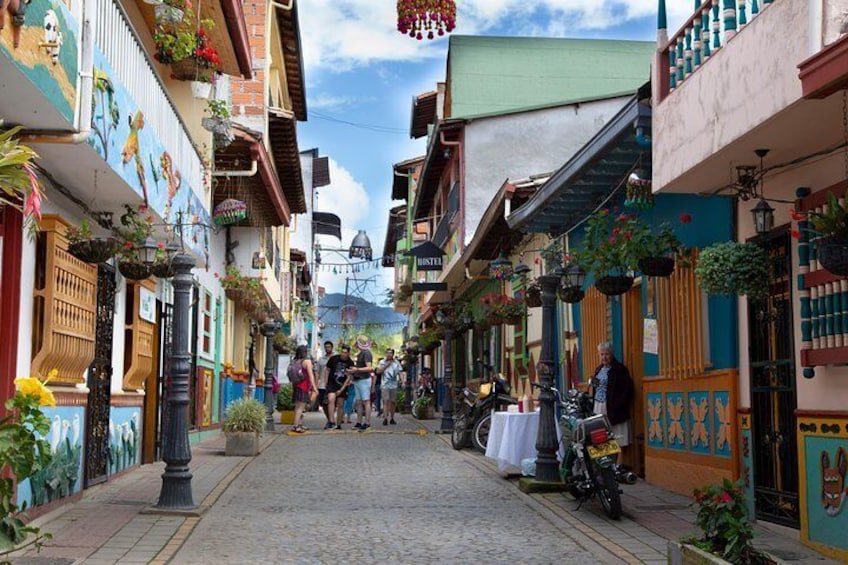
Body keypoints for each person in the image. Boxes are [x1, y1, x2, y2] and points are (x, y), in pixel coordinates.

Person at [589, 342, 634, 466]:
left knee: (618, 438)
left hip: (614, 408)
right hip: (599, 406)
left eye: (607, 354)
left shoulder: (620, 370)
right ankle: (605, 467)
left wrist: (619, 405)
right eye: (602, 354)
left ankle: (618, 467)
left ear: (612, 354)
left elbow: (628, 389)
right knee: (601, 437)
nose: (604, 357)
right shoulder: (599, 369)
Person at [347, 335, 375, 431]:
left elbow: (370, 368)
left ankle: (367, 423)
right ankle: (359, 422)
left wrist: (356, 369)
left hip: (364, 380)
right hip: (358, 380)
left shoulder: (366, 353)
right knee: (359, 402)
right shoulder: (361, 353)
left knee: (366, 402)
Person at [324, 345, 354, 430]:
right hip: (332, 383)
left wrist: (341, 389)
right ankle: (331, 421)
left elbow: (348, 377)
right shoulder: (333, 359)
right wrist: (326, 381)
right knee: (331, 399)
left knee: (340, 404)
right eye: (342, 352)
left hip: (342, 385)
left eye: (345, 353)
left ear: (348, 353)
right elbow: (327, 369)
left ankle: (338, 423)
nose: (343, 354)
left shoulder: (350, 363)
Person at [290, 345, 317, 433]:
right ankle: (296, 426)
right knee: (300, 408)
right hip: (303, 387)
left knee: (298, 407)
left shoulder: (295, 361)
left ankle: (299, 424)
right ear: (305, 352)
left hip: (296, 386)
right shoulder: (307, 362)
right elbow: (310, 375)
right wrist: (314, 386)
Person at [375, 348, 404, 425]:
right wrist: (386, 365)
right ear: (385, 354)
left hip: (394, 385)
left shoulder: (396, 363)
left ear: (393, 354)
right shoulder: (382, 362)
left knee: (393, 402)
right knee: (386, 400)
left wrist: (403, 382)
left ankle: (392, 418)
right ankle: (385, 418)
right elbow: (378, 371)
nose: (389, 354)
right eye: (387, 353)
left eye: (390, 353)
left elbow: (400, 372)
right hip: (385, 385)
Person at [316, 340, 334, 427]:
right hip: (322, 384)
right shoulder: (321, 360)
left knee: (332, 402)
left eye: (329, 347)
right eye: (326, 347)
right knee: (323, 403)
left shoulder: (336, 358)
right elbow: (317, 373)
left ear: (332, 347)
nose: (327, 349)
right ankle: (329, 420)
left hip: (334, 384)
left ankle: (332, 420)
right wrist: (315, 384)